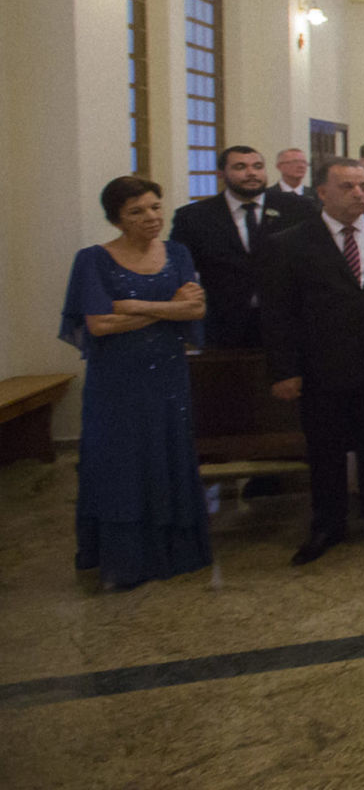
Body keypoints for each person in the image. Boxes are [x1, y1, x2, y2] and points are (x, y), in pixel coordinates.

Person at [61, 176, 212, 590]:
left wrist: (138, 305)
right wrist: (168, 310)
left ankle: (174, 552)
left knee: (167, 453)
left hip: (167, 376)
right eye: (137, 211)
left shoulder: (177, 253)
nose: (151, 217)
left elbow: (196, 311)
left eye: (155, 207)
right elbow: (99, 323)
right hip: (116, 381)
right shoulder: (93, 260)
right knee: (121, 462)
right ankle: (125, 560)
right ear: (117, 219)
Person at [263, 157, 364, 565]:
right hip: (321, 366)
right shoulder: (290, 242)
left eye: (362, 186)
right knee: (325, 451)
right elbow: (278, 313)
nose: (359, 194)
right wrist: (285, 370)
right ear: (321, 192)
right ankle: (328, 523)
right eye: (347, 187)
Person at [169, 145, 315, 348]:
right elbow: (180, 272)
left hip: (288, 324)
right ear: (221, 174)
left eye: (257, 166)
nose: (251, 173)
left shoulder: (299, 208)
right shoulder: (194, 217)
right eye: (240, 167)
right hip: (224, 328)